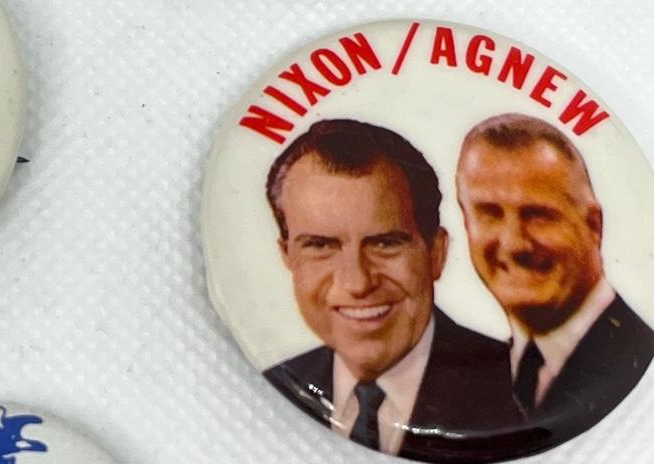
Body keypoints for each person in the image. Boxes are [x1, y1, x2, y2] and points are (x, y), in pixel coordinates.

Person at [263, 119, 519, 460]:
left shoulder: (523, 395)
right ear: (288, 257)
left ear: (436, 253)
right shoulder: (265, 393)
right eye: (321, 246)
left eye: (385, 243)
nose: (357, 283)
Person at [456, 114, 654, 453]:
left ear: (593, 226)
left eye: (538, 214)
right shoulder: (470, 382)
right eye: (489, 213)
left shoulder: (638, 367)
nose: (514, 243)